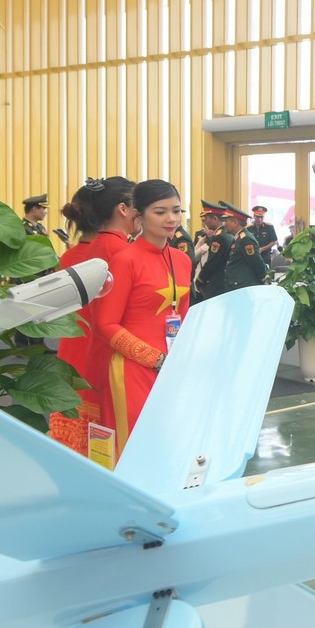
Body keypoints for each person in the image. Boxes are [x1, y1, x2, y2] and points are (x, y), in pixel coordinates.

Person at [89, 180, 192, 443]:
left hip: (173, 367)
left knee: (171, 439)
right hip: (133, 369)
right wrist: (152, 358)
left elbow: (183, 316)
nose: (171, 219)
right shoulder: (124, 260)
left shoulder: (182, 260)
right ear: (139, 215)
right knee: (135, 443)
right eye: (160, 212)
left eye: (176, 210)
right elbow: (105, 324)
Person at [51, 176, 137, 437]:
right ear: (123, 209)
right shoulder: (121, 253)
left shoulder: (71, 254)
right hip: (104, 353)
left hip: (72, 349)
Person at [206, 203, 267, 297]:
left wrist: (263, 279)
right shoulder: (238, 238)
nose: (224, 223)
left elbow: (256, 263)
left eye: (226, 221)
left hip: (242, 288)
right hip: (235, 287)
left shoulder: (245, 239)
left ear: (235, 222)